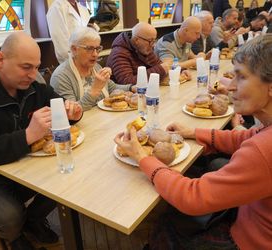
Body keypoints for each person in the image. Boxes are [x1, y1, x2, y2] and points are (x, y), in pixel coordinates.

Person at [115, 34, 272, 249]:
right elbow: (246, 136)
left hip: (248, 239)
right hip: (251, 213)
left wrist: (142, 158)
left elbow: (192, 198)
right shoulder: (264, 136)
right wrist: (193, 132)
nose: (231, 86)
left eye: (241, 77)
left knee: (166, 226)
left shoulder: (263, 150)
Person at [0, 32, 83, 250]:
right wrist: (28, 135)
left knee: (67, 176)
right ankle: (14, 235)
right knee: (9, 216)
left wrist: (73, 112)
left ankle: (32, 220)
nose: (34, 74)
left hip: (19, 159)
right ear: (0, 59)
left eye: (36, 66)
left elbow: (59, 105)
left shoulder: (33, 79)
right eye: (26, 67)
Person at [50, 27, 134, 111]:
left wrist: (132, 88)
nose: (95, 54)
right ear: (74, 49)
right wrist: (94, 90)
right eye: (89, 49)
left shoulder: (96, 67)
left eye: (97, 49)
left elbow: (111, 87)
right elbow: (71, 112)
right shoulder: (61, 77)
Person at [106, 22, 170, 85]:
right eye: (150, 41)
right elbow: (128, 82)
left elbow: (161, 66)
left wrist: (162, 70)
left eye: (154, 41)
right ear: (136, 40)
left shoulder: (145, 48)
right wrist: (160, 70)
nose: (153, 45)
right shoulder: (119, 54)